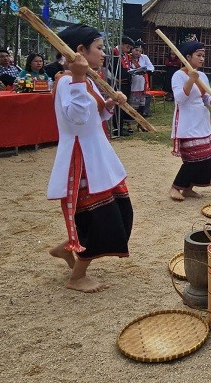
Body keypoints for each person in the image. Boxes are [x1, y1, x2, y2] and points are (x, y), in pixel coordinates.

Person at [46, 24, 132, 293]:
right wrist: (78, 78)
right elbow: (76, 119)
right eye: (99, 48)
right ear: (80, 51)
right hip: (81, 159)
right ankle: (77, 277)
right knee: (100, 218)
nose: (104, 53)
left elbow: (94, 116)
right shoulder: (66, 81)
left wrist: (110, 104)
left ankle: (67, 247)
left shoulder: (86, 79)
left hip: (97, 154)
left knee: (120, 211)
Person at [169, 41, 211, 201]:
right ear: (187, 57)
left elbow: (205, 98)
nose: (202, 59)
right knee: (192, 158)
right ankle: (175, 187)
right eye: (198, 55)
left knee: (205, 158)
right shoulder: (178, 75)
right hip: (187, 122)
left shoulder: (203, 76)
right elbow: (180, 99)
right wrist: (191, 79)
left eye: (203, 56)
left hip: (201, 121)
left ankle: (188, 188)